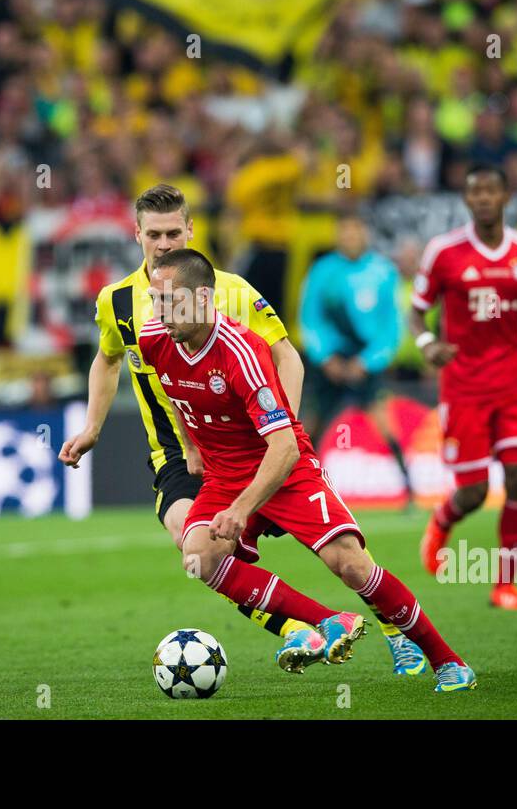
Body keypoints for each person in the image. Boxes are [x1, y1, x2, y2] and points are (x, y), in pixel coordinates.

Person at [59, 184, 429, 675]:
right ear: (137, 235)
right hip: (175, 452)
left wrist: (286, 433)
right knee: (197, 550)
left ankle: (389, 624)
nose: (165, 243)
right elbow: (106, 361)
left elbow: (286, 354)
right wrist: (91, 426)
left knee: (342, 553)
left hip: (251, 444)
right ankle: (301, 626)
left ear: (191, 230)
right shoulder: (119, 301)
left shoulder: (228, 289)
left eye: (174, 232)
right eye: (154, 235)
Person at [137, 248, 475, 691]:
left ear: (202, 297)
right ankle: (328, 619)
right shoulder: (154, 339)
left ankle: (447, 661)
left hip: (284, 468)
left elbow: (284, 448)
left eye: (169, 300)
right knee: (199, 556)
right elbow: (174, 392)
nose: (160, 312)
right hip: (225, 474)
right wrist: (192, 446)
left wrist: (241, 509)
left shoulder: (242, 353)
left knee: (351, 565)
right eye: (155, 300)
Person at [412, 164, 517, 610]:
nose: (483, 198)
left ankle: (506, 584)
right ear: (467, 200)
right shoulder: (443, 253)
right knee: (475, 492)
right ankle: (441, 523)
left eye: (491, 191)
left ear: (505, 197)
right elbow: (417, 311)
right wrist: (427, 343)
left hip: (514, 383)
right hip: (463, 386)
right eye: (475, 191)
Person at [298, 211, 411, 499]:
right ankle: (297, 487)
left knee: (384, 423)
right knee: (312, 425)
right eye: (344, 232)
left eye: (354, 231)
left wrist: (369, 361)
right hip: (330, 362)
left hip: (366, 361)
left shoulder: (383, 272)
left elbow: (393, 326)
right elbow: (310, 318)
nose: (349, 238)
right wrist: (326, 358)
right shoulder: (323, 271)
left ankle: (409, 489)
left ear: (365, 234)